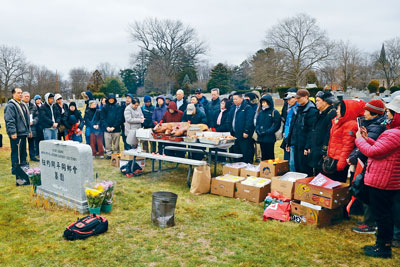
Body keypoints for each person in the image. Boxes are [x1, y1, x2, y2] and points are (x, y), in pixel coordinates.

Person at [355, 96, 400, 258]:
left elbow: (373, 152)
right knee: (384, 214)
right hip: (386, 180)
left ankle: (383, 247)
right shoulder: (393, 133)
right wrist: (368, 139)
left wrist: (360, 141)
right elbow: (382, 148)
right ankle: (381, 245)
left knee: (382, 216)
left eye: (389, 112)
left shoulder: (394, 133)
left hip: (382, 181)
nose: (386, 115)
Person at [347, 100, 386, 234]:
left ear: (374, 113)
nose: (364, 113)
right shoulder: (370, 124)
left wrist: (355, 155)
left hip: (372, 166)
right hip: (369, 164)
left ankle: (370, 223)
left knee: (368, 191)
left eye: (367, 111)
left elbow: (368, 148)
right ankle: (368, 220)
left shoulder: (377, 127)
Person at [326, 99, 365, 182]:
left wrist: (341, 164)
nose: (336, 111)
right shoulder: (339, 122)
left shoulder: (351, 125)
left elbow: (347, 147)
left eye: (339, 109)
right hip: (333, 159)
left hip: (338, 162)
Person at [287, 89, 318, 176]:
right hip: (296, 143)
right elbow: (292, 127)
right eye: (297, 98)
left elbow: (311, 131)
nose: (297, 100)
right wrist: (288, 142)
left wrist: (307, 146)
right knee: (297, 168)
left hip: (304, 145)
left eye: (299, 98)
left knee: (304, 169)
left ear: (306, 97)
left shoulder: (312, 111)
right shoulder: (297, 109)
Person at [308, 91, 337, 175]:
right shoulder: (319, 113)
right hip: (315, 148)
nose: (316, 103)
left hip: (322, 151)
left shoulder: (332, 114)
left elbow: (329, 134)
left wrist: (324, 150)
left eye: (318, 100)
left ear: (326, 101)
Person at [4, 88, 32, 176]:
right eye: (18, 93)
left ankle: (23, 168)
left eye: (21, 93)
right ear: (13, 94)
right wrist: (12, 132)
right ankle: (15, 169)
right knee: (16, 153)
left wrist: (29, 130)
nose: (20, 94)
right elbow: (10, 120)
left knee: (23, 152)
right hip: (17, 134)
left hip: (24, 133)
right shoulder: (11, 106)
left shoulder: (23, 104)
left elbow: (27, 120)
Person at [229, 92, 255, 163]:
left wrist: (246, 131)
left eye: (236, 99)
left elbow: (249, 120)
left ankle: (246, 165)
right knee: (237, 151)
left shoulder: (247, 107)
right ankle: (238, 165)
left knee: (245, 151)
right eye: (233, 99)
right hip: (235, 133)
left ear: (241, 98)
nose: (234, 101)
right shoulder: (233, 108)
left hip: (243, 134)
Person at [255, 94, 281, 160]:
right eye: (262, 102)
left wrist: (267, 132)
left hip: (269, 137)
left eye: (264, 102)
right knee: (263, 155)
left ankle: (271, 168)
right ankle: (264, 167)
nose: (263, 104)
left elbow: (276, 125)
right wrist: (258, 130)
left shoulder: (274, 112)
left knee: (270, 154)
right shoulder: (260, 112)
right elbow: (257, 123)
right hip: (261, 137)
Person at [101, 93, 123, 157]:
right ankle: (109, 154)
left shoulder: (118, 107)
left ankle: (116, 153)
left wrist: (114, 126)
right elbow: (102, 118)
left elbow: (119, 118)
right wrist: (107, 126)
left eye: (112, 99)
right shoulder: (104, 107)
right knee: (108, 142)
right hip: (107, 128)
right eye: (110, 99)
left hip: (116, 128)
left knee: (116, 143)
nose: (111, 100)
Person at [281, 92, 297, 171]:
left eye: (290, 99)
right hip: (288, 138)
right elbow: (287, 124)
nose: (288, 101)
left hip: (294, 139)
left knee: (293, 162)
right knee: (289, 161)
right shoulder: (291, 109)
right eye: (287, 100)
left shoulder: (297, 109)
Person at [22, 92, 39, 161]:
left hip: (32, 127)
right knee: (23, 144)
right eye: (25, 96)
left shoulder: (33, 106)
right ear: (22, 97)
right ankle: (23, 158)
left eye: (28, 96)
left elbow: (37, 116)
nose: (27, 97)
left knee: (32, 143)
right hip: (22, 128)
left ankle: (32, 156)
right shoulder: (20, 105)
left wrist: (34, 121)